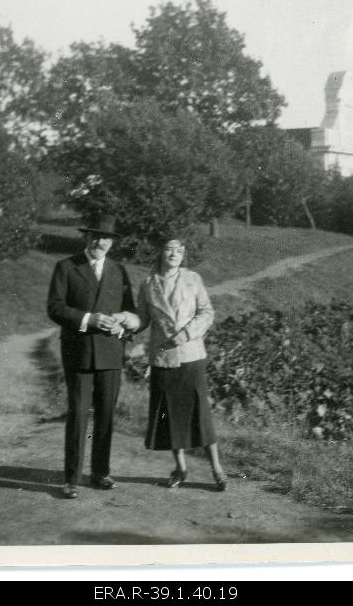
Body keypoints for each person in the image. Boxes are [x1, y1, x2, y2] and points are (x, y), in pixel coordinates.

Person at [116, 238, 227, 491]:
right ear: (160, 253)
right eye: (168, 249)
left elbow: (207, 312)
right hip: (163, 358)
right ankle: (181, 468)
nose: (174, 254)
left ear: (183, 255)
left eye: (179, 250)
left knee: (200, 414)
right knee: (170, 416)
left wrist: (187, 333)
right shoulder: (148, 284)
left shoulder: (193, 279)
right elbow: (142, 319)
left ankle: (217, 469)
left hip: (190, 355)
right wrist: (126, 320)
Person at [46, 213, 135, 499]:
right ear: (86, 237)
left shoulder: (119, 270)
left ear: (112, 242)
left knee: (107, 415)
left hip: (110, 353)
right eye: (96, 236)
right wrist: (89, 319)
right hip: (79, 351)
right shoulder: (67, 267)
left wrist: (124, 321)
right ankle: (72, 478)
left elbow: (132, 312)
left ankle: (100, 473)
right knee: (78, 415)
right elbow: (55, 308)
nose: (101, 242)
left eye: (106, 237)